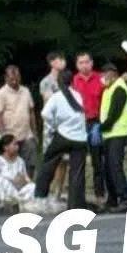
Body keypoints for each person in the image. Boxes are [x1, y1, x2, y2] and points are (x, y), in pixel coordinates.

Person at [35, 69, 90, 208]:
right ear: (71, 81)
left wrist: (54, 125)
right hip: (80, 138)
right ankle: (75, 204)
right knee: (77, 171)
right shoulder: (77, 95)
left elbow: (45, 114)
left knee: (49, 161)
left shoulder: (56, 97)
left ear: (58, 82)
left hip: (64, 135)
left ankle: (40, 193)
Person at [98, 60, 127, 212]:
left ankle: (125, 198)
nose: (103, 78)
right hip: (110, 134)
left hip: (119, 133)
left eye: (105, 75)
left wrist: (100, 128)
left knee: (115, 167)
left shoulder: (119, 88)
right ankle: (112, 199)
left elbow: (114, 114)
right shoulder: (109, 88)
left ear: (112, 74)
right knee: (108, 168)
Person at [72, 51, 106, 199]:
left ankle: (100, 193)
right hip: (79, 124)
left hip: (96, 123)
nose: (84, 65)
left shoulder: (101, 79)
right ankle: (79, 195)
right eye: (81, 62)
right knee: (78, 161)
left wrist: (101, 124)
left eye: (87, 62)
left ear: (92, 63)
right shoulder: (74, 81)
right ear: (77, 65)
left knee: (97, 160)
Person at [0, 65, 38, 175]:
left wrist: (34, 132)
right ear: (6, 78)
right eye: (11, 79)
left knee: (30, 163)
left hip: (26, 135)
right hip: (10, 136)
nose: (14, 81)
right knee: (10, 165)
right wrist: (3, 135)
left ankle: (28, 182)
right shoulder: (1, 94)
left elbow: (31, 112)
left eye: (17, 78)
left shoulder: (26, 91)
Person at [38, 50, 68, 192]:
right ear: (52, 63)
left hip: (65, 125)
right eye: (60, 59)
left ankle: (59, 191)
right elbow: (50, 102)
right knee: (51, 159)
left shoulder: (67, 81)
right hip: (52, 126)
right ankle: (47, 190)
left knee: (64, 160)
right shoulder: (46, 82)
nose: (63, 62)